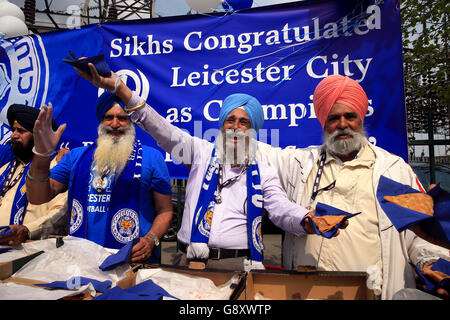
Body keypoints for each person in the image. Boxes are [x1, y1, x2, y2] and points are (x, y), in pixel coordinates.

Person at [70, 63, 345, 272]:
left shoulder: (263, 172)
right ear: (222, 125)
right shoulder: (200, 152)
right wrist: (120, 88)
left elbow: (282, 209)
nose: (236, 128)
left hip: (236, 266)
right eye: (230, 120)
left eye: (244, 122)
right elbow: (159, 127)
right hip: (188, 262)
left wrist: (308, 219)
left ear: (253, 131)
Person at [256, 74, 449, 299]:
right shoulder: (299, 163)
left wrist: (433, 262)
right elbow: (251, 151)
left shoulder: (393, 170)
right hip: (307, 293)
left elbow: (418, 233)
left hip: (371, 294)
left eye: (350, 116)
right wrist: (235, 120)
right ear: (323, 122)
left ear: (361, 119)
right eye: (333, 118)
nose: (342, 124)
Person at [26, 91, 173, 264]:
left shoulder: (152, 157)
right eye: (108, 117)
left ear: (131, 121)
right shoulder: (76, 157)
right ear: (101, 121)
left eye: (123, 118)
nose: (115, 124)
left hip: (133, 260)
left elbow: (165, 210)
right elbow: (38, 197)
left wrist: (150, 239)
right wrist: (42, 154)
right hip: (80, 259)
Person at [0, 104, 68, 246]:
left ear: (38, 135)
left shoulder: (58, 166)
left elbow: (60, 213)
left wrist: (27, 230)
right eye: (13, 130)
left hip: (34, 250)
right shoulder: (6, 169)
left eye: (20, 131)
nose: (13, 135)